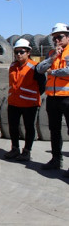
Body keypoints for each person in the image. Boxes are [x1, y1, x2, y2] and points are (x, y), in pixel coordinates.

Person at [4, 38, 45, 162]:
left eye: (22, 52)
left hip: (29, 104)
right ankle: (15, 148)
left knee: (29, 127)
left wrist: (31, 96)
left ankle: (27, 151)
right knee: (13, 127)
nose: (18, 54)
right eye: (16, 52)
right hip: (13, 103)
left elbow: (42, 86)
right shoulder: (12, 66)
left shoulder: (35, 67)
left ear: (28, 52)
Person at [36, 23, 69, 174]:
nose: (56, 40)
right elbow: (40, 69)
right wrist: (53, 58)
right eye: (54, 37)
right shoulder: (51, 53)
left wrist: (53, 72)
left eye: (60, 37)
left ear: (67, 36)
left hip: (67, 98)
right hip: (53, 98)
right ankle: (56, 159)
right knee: (54, 130)